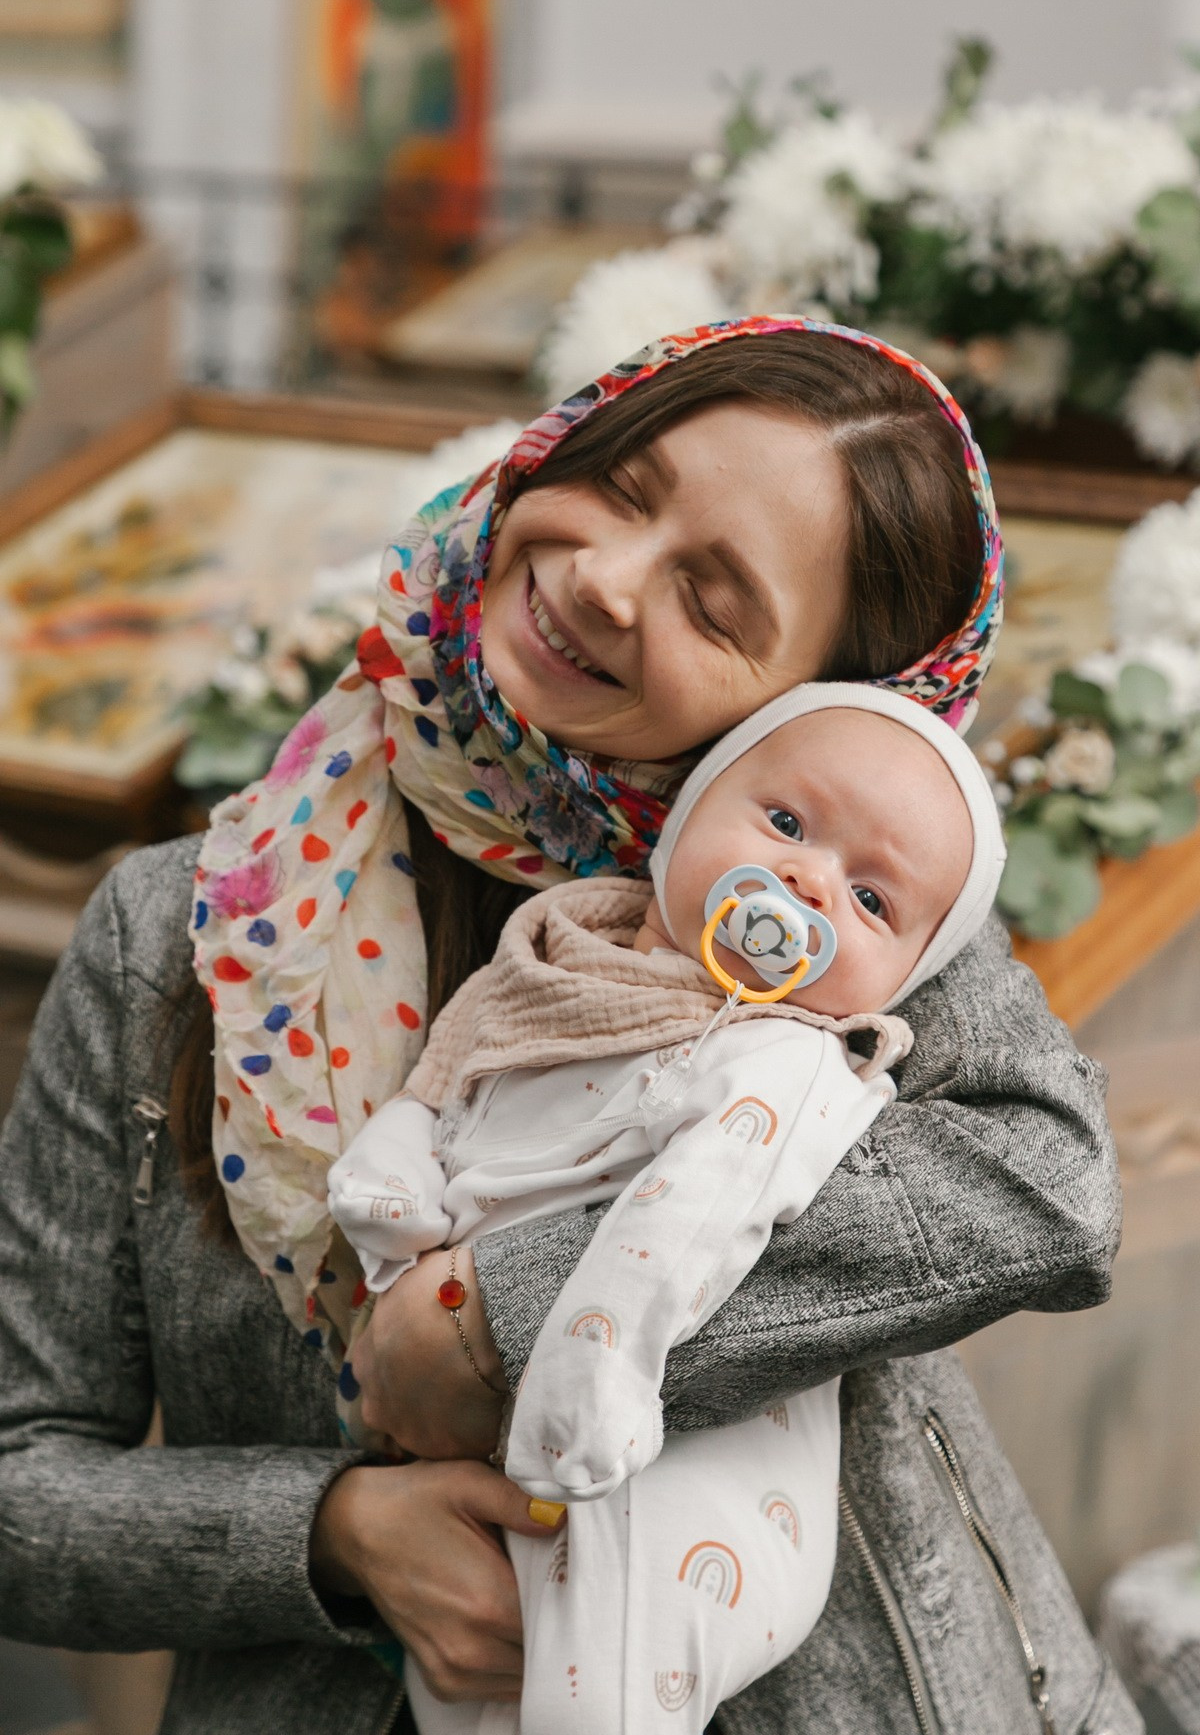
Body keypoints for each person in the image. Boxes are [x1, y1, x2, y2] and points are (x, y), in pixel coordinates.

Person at [0, 319, 1138, 1735]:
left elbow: (1048, 1186)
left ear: (816, 709)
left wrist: (501, 1320)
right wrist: (335, 1536)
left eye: (713, 604)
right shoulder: (189, 929)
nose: (598, 580)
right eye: (626, 486)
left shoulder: (827, 902)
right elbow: (20, 1475)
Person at [329, 682, 1007, 1734]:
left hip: (671, 1476)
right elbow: (450, 1096)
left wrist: (592, 1372)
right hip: (484, 1479)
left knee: (601, 1688)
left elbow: (690, 1217)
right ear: (687, 812)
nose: (809, 881)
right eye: (785, 822)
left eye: (873, 902)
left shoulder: (780, 1059)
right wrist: (395, 1189)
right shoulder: (554, 971)